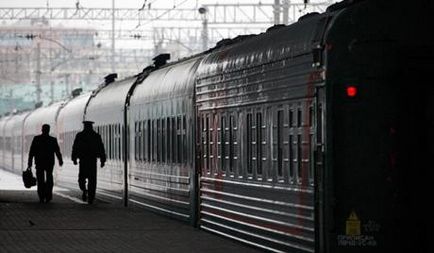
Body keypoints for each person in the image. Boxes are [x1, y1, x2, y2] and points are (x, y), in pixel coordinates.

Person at [71, 121, 106, 204]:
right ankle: (86, 192)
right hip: (89, 161)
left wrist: (74, 158)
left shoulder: (81, 136)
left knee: (86, 179)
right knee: (89, 180)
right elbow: (101, 149)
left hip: (86, 161)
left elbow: (75, 148)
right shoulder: (95, 136)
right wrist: (102, 160)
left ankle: (90, 196)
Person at [28, 124, 63, 203]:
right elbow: (57, 151)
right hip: (49, 163)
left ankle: (41, 196)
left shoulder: (37, 139)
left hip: (39, 162)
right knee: (49, 179)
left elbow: (31, 152)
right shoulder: (52, 140)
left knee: (40, 180)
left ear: (42, 130)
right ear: (49, 130)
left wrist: (30, 162)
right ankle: (48, 195)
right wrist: (60, 160)